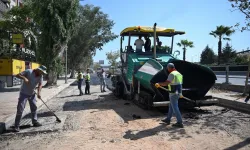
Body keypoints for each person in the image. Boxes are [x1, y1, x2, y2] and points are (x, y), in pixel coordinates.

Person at [14, 65, 47, 132]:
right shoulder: (29, 71)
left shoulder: (40, 76)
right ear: (39, 70)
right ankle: (16, 126)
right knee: (20, 109)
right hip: (24, 93)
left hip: (32, 94)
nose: (42, 73)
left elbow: (40, 84)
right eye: (42, 72)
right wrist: (24, 78)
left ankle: (34, 122)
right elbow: (17, 75)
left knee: (34, 107)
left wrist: (39, 93)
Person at [155, 63, 184, 128]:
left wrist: (159, 84)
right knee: (171, 107)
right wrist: (180, 93)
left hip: (173, 93)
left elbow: (167, 83)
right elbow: (180, 85)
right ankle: (168, 119)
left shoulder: (172, 74)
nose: (167, 69)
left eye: (168, 68)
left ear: (170, 68)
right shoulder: (179, 74)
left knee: (175, 108)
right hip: (177, 93)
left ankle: (180, 122)